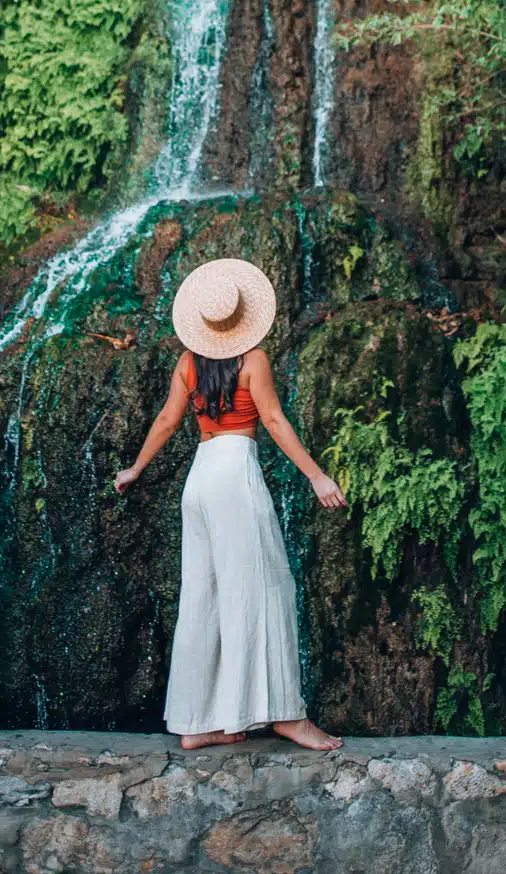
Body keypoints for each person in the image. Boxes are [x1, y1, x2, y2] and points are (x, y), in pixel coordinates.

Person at [114, 257, 346, 751]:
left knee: (205, 597)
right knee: (266, 587)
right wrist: (317, 475)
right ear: (244, 318)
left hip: (199, 480)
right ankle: (285, 715)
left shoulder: (187, 363)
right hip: (235, 473)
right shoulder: (253, 360)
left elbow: (165, 422)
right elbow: (277, 423)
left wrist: (135, 469)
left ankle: (198, 722)